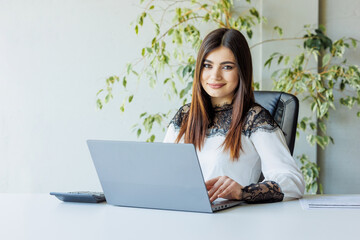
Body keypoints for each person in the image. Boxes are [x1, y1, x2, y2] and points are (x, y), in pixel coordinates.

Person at [163, 28, 305, 203]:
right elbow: (164, 174)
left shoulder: (254, 119)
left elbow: (293, 181)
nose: (214, 75)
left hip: (234, 221)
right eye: (207, 65)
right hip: (182, 215)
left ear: (241, 71)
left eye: (227, 67)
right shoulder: (184, 116)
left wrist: (244, 192)